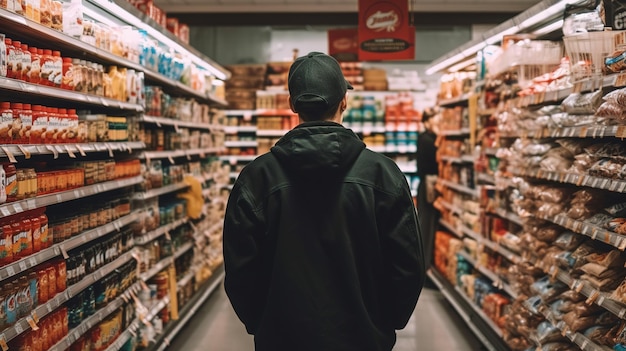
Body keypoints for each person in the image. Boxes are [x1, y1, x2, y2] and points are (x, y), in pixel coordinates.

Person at [222, 51, 425, 351]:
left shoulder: (256, 178)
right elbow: (408, 266)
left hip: (282, 339)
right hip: (364, 338)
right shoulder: (383, 175)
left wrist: (262, 323)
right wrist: (384, 322)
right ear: (344, 101)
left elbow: (240, 271)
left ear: (292, 105)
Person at [416, 107, 439, 270]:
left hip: (427, 184)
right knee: (427, 225)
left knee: (427, 224)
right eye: (435, 119)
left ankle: (427, 262)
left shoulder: (427, 137)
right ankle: (423, 265)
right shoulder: (427, 139)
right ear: (427, 121)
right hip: (428, 185)